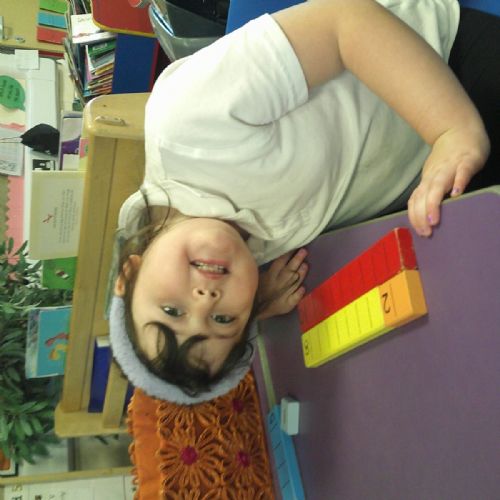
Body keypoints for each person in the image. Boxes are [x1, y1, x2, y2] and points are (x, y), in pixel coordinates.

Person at [109, 0, 499, 404]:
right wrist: (255, 302)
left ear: (130, 271)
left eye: (171, 311)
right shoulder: (229, 253)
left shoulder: (186, 123)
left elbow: (347, 21)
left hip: (442, 61)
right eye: (223, 320)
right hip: (442, 179)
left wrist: (450, 130)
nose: (205, 300)